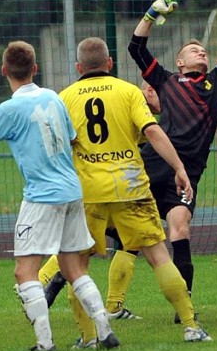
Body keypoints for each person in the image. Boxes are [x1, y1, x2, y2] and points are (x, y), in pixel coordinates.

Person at [0, 41, 120, 351]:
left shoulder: (9, 109)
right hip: (72, 191)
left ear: (4, 71)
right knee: (74, 268)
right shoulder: (53, 97)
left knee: (24, 271)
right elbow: (71, 138)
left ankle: (45, 343)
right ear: (35, 69)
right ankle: (106, 331)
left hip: (42, 196)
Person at [60, 36, 210, 345]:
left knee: (78, 266)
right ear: (110, 64)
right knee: (158, 257)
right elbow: (152, 130)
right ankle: (191, 326)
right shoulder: (128, 91)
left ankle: (89, 337)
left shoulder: (66, 97)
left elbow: (60, 145)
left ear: (78, 67)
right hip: (131, 187)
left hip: (89, 191)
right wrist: (180, 168)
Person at [128, 0, 217, 322]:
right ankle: (82, 289)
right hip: (151, 164)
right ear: (181, 62)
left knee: (180, 228)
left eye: (202, 49)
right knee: (117, 235)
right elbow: (135, 48)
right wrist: (153, 12)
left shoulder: (216, 83)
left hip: (186, 175)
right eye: (191, 50)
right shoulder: (167, 80)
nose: (200, 50)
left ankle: (182, 309)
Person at [37, 80, 162, 319]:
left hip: (91, 185)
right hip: (120, 187)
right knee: (83, 249)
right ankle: (40, 285)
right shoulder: (127, 97)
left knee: (111, 244)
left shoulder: (69, 95)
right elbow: (146, 134)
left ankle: (111, 308)